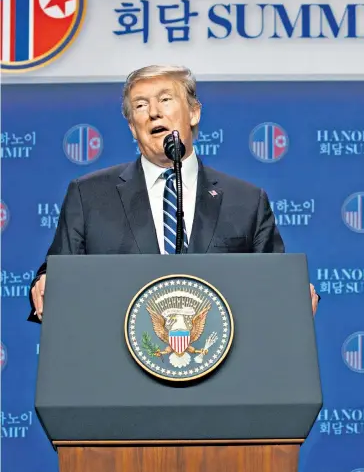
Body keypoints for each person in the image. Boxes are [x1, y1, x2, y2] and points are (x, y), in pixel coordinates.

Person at [29, 64, 319, 323]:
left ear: (194, 112)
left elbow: (274, 283)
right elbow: (58, 274)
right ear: (133, 127)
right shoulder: (89, 195)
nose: (154, 111)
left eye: (165, 99)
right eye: (141, 105)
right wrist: (46, 282)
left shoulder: (246, 201)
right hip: (116, 370)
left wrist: (290, 293)